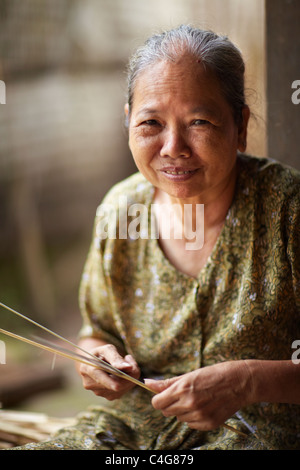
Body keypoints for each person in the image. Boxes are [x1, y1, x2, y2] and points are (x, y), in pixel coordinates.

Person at [14, 25, 300, 450]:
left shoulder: (287, 211)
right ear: (128, 120)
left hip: (261, 434)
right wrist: (98, 361)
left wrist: (248, 383)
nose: (173, 147)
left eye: (199, 121)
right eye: (151, 123)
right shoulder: (120, 211)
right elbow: (97, 331)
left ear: (239, 126)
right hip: (130, 429)